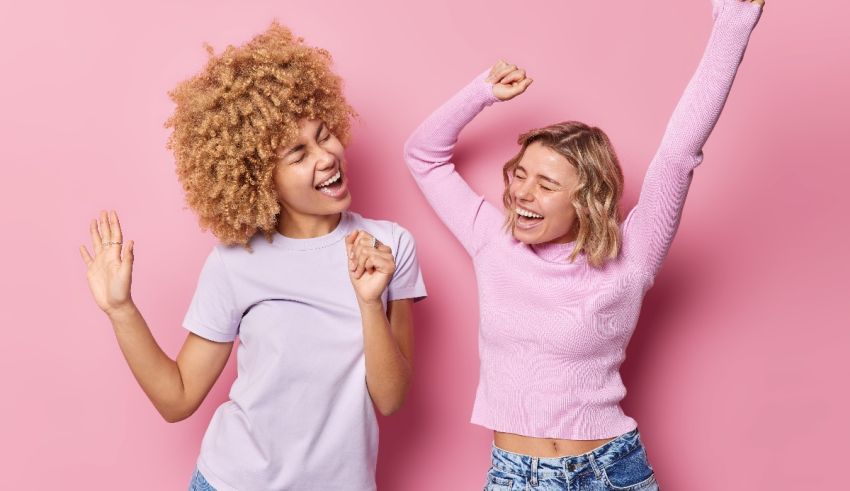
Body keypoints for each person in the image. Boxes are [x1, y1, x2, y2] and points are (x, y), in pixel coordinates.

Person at [403, 0, 764, 489]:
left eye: (547, 185)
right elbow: (423, 155)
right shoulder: (493, 241)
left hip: (610, 471)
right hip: (515, 475)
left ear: (587, 200)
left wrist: (734, 21)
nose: (522, 194)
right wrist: (481, 93)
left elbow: (679, 152)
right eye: (520, 175)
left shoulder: (632, 257)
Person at [79, 22, 426, 491]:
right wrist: (121, 310)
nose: (326, 158)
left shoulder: (390, 245)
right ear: (261, 179)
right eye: (298, 154)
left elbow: (391, 399)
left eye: (325, 136)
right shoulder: (235, 263)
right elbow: (177, 398)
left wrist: (369, 301)